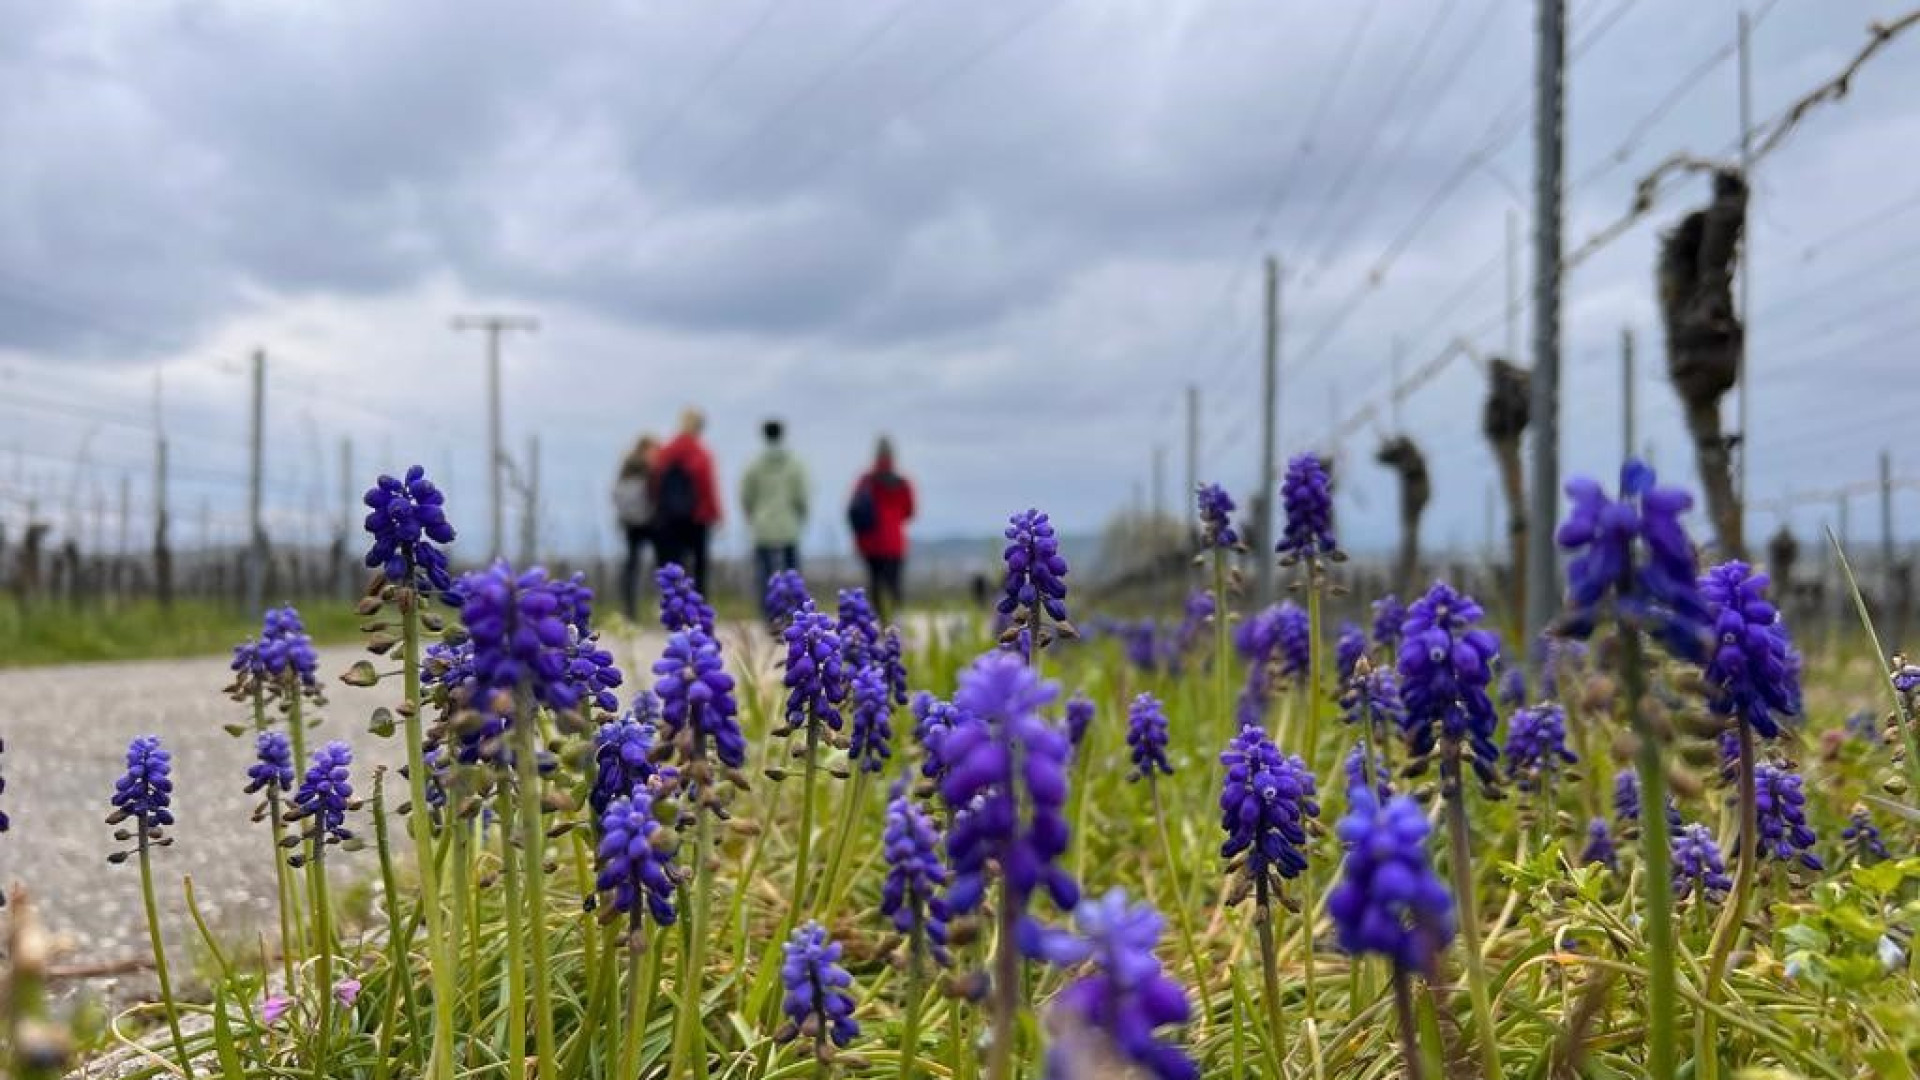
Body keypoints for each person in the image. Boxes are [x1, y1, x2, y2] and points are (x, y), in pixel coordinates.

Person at [740, 418, 809, 619]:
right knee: (792, 575)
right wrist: (799, 517)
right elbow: (802, 496)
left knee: (766, 575)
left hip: (762, 527)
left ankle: (769, 616)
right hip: (789, 526)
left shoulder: (753, 465)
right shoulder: (795, 464)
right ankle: (795, 615)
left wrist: (752, 516)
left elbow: (746, 496)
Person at [652, 408, 722, 594]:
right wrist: (715, 513)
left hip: (668, 518)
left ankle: (672, 603)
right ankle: (698, 604)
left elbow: (655, 483)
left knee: (673, 565)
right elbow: (707, 486)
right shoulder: (701, 452)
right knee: (699, 565)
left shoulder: (666, 450)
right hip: (697, 517)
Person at [849, 437, 915, 623]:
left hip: (871, 542)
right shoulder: (902, 482)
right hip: (895, 542)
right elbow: (910, 511)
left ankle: (879, 621)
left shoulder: (865, 480)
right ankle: (896, 620)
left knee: (875, 582)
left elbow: (853, 508)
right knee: (894, 583)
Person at [612, 434, 660, 620]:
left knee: (631, 565)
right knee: (659, 565)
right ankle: (659, 605)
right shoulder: (650, 469)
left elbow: (615, 493)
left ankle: (629, 609)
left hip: (629, 523)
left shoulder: (625, 467)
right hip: (649, 520)